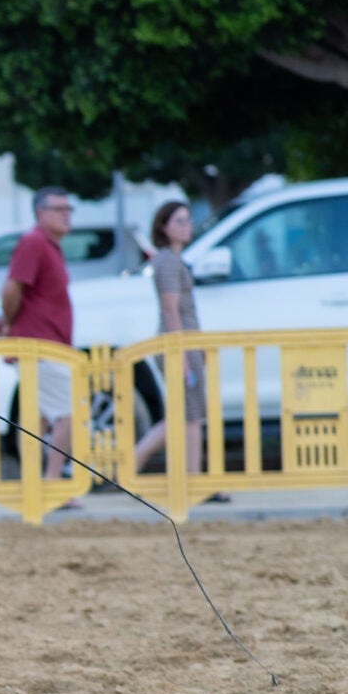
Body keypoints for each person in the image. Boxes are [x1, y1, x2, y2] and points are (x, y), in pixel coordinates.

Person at [132, 200, 227, 500]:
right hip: (179, 344)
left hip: (183, 343)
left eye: (188, 221)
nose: (186, 227)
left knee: (183, 414)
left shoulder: (171, 260)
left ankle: (139, 464)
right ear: (164, 227)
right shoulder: (169, 262)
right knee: (189, 415)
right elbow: (171, 309)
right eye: (179, 221)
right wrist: (183, 353)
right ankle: (192, 481)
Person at [0, 188, 77, 490]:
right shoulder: (34, 242)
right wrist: (10, 324)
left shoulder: (48, 245)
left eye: (69, 209)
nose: (67, 214)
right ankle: (51, 483)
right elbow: (11, 289)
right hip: (40, 344)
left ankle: (35, 485)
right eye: (59, 209)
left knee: (39, 417)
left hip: (48, 343)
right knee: (67, 414)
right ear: (41, 213)